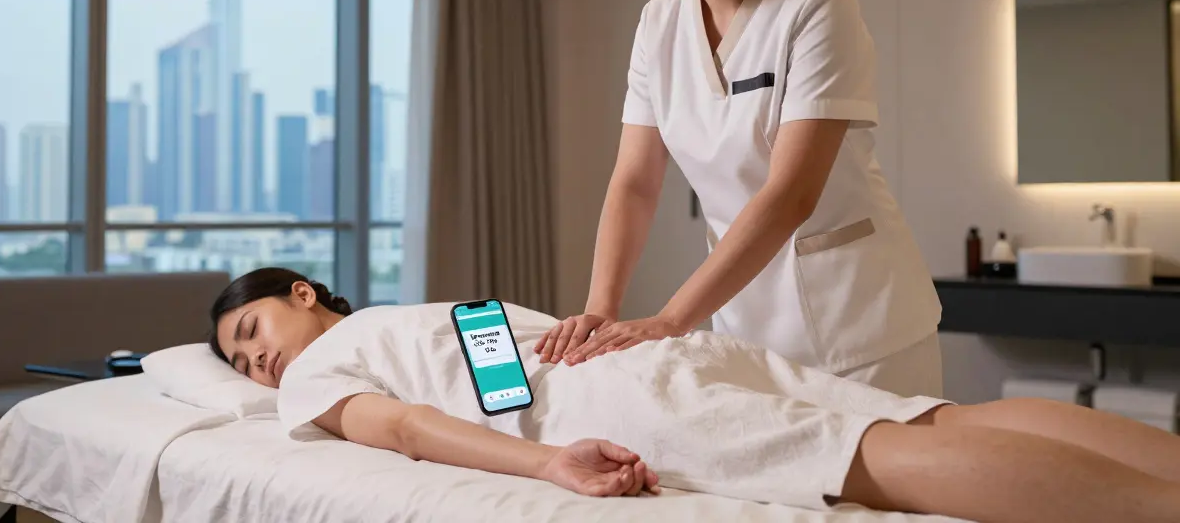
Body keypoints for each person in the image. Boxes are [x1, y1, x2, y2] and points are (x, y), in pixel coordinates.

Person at [210, 267, 1180, 523]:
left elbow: (407, 427)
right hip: (653, 354)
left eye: (251, 334)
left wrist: (548, 458)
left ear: (301, 295)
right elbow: (425, 408)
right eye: (240, 362)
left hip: (618, 397)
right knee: (927, 419)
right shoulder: (409, 316)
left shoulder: (321, 366)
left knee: (880, 459)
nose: (258, 366)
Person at [534, 0, 944, 398]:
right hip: (745, 320)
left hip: (861, 326)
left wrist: (672, 320)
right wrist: (601, 307)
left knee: (895, 487)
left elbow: (791, 194)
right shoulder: (658, 25)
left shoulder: (817, 5)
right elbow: (635, 181)